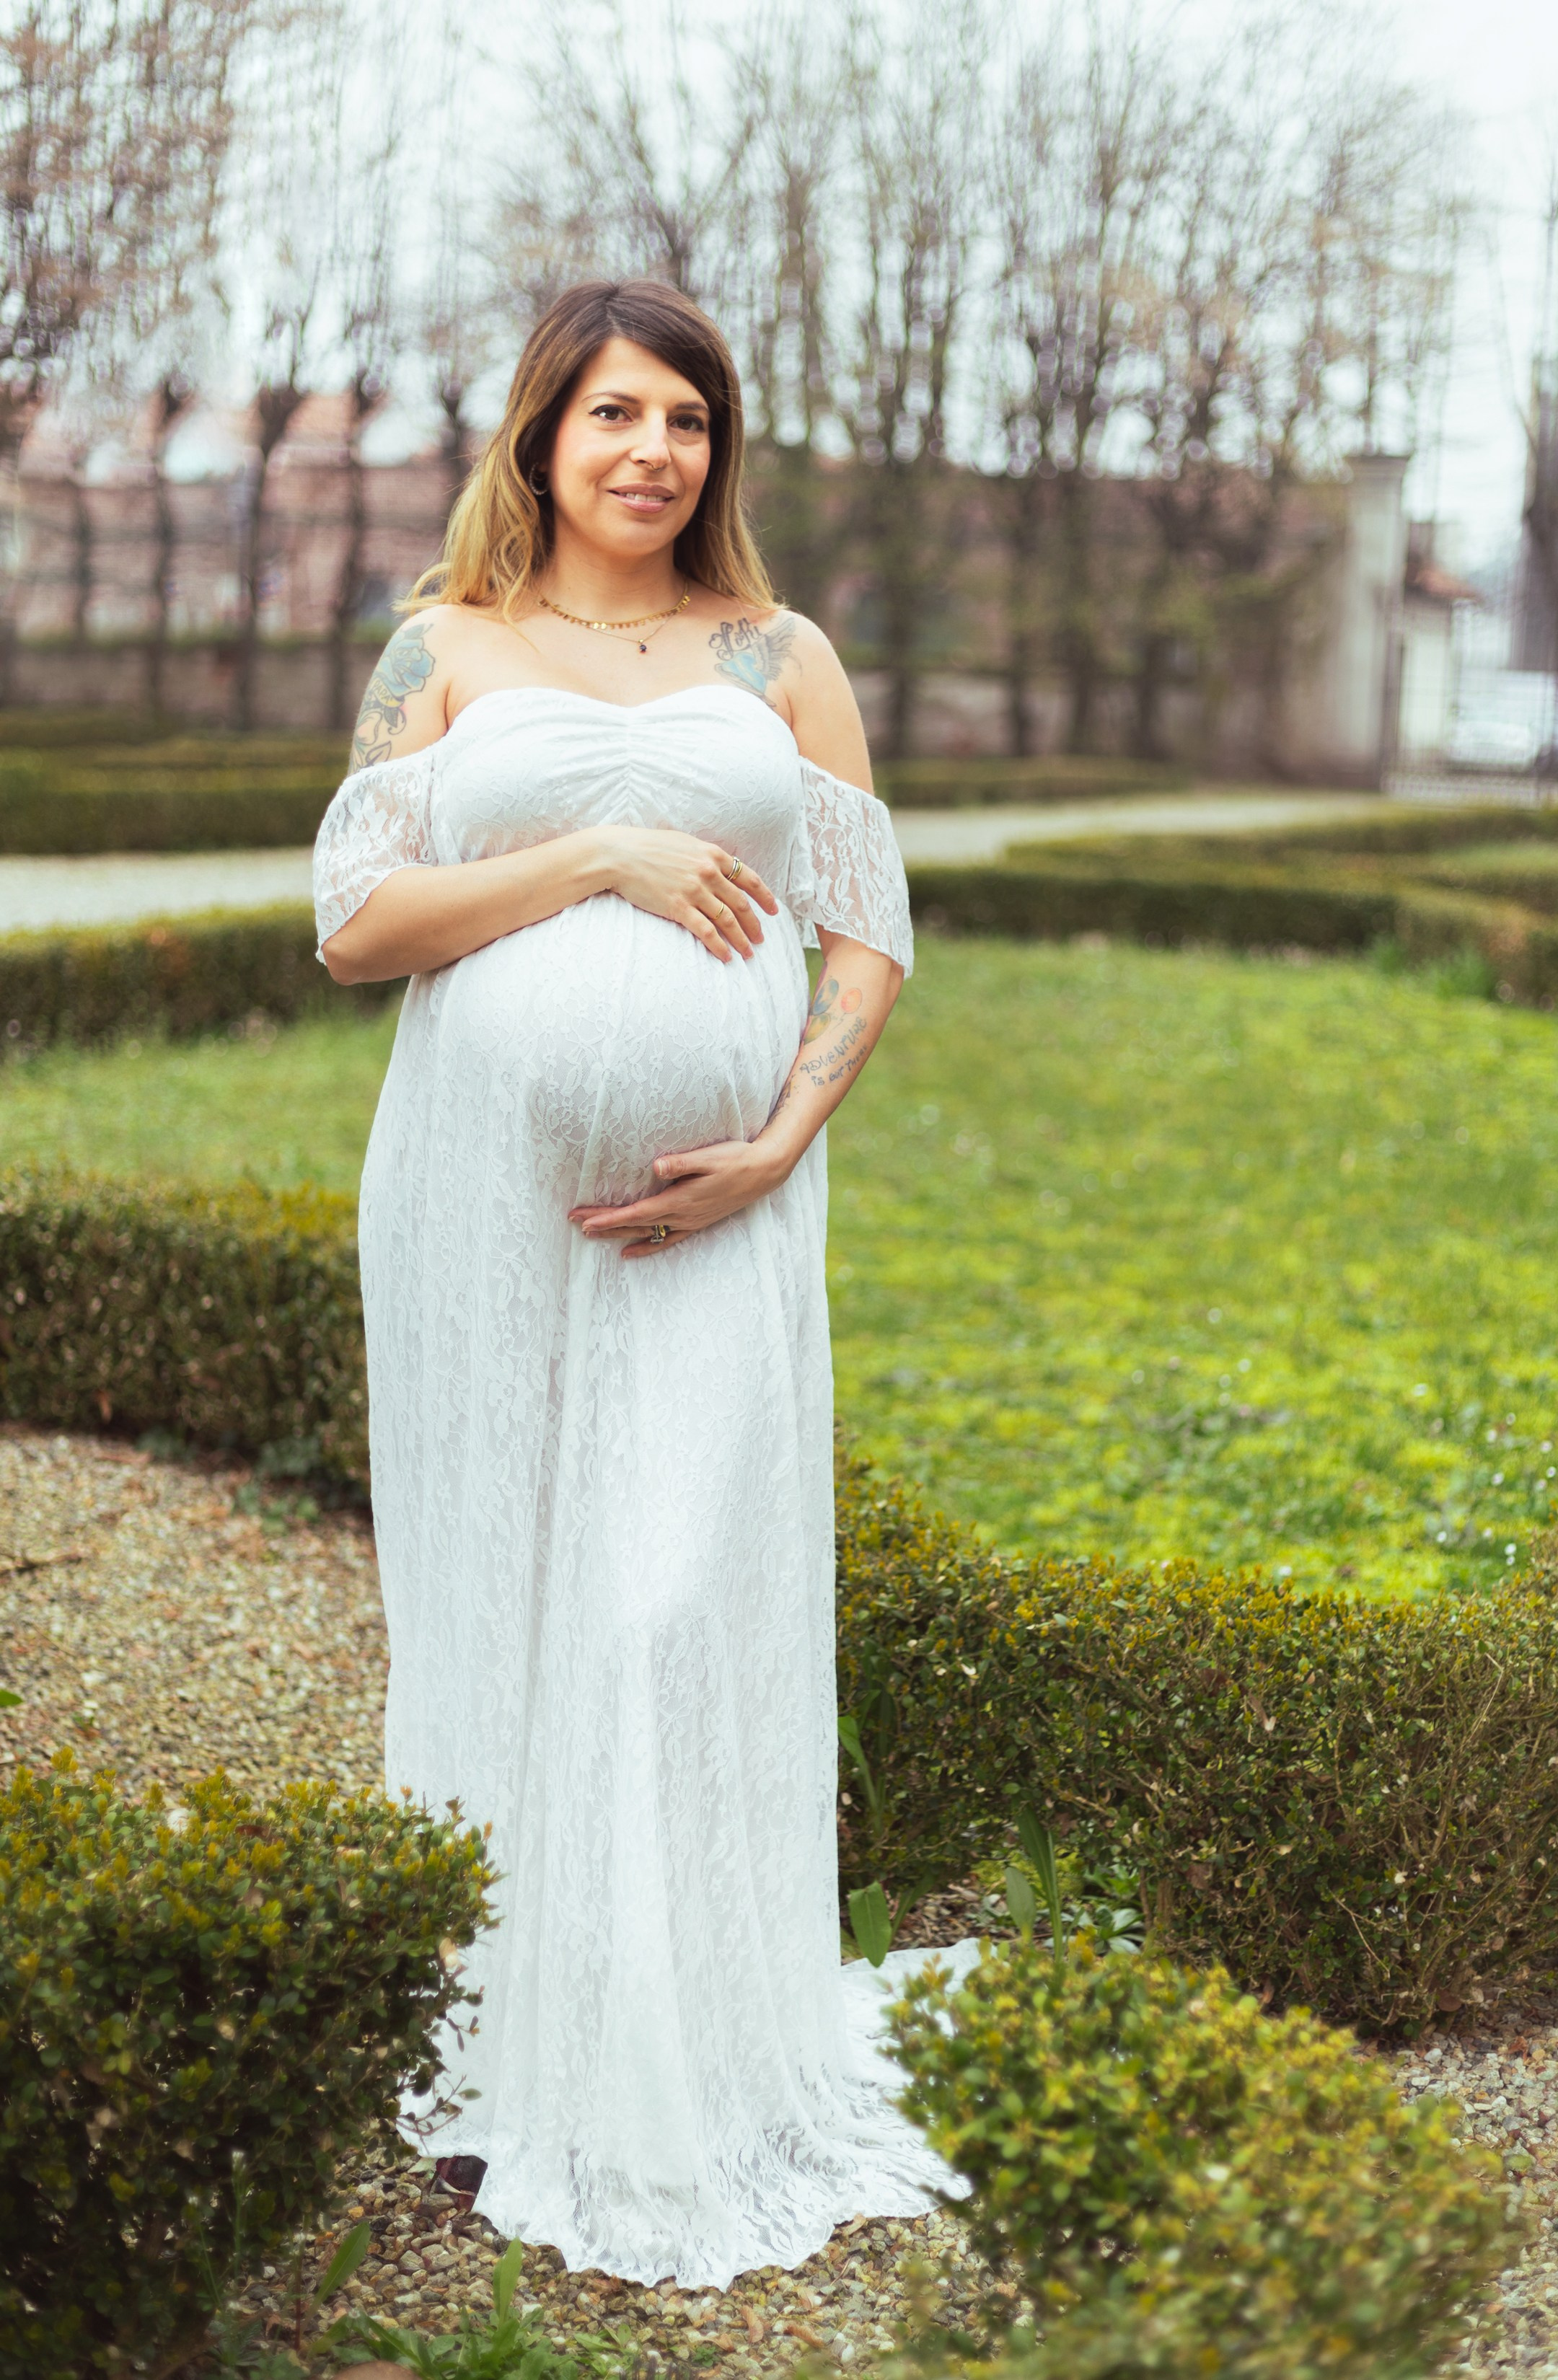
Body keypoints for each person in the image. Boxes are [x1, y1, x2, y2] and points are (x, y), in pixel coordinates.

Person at [312, 278, 962, 2290]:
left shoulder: (781, 655)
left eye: (686, 418)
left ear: (717, 450)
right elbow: (356, 919)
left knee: (674, 1593)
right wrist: (599, 858)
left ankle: (692, 2031)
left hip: (723, 1209)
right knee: (501, 1581)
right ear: (544, 434)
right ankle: (504, 2026)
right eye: (614, 413)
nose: (652, 450)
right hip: (475, 1214)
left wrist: (781, 1141)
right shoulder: (444, 644)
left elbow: (867, 932)